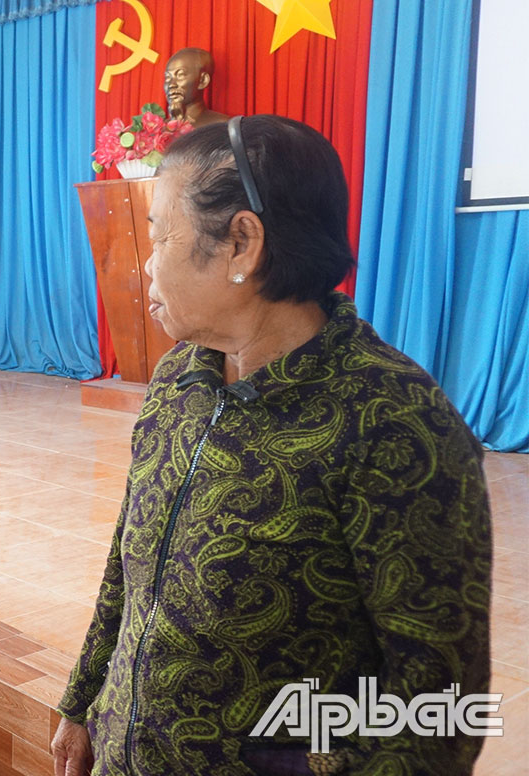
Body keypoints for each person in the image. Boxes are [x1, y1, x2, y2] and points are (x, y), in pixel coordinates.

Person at [50, 116, 492, 776]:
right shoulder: (181, 374)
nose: (147, 262)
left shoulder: (396, 424)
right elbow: (130, 554)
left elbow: (440, 709)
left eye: (161, 235)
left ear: (242, 244)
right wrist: (86, 698)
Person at [163, 47, 228, 128]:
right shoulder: (158, 129)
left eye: (180, 75)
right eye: (168, 77)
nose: (171, 85)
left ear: (203, 80)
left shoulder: (220, 125)